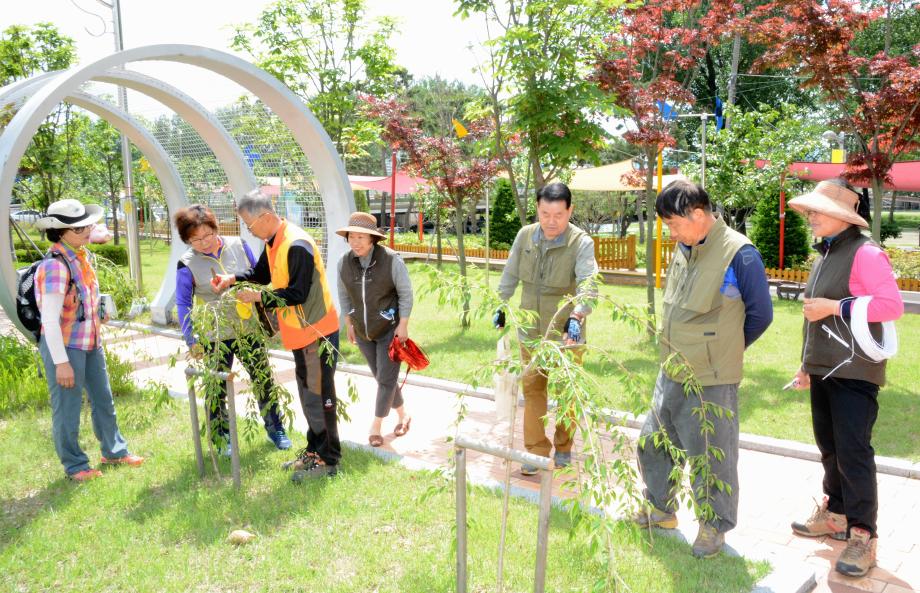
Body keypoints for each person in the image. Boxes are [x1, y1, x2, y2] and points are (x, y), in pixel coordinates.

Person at [634, 180, 773, 558]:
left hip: (711, 377)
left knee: (712, 456)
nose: (671, 231)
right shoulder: (685, 246)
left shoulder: (740, 255)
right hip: (672, 367)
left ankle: (713, 527)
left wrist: (722, 350)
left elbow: (761, 315)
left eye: (674, 223)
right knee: (653, 441)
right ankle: (661, 508)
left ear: (698, 215)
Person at [785, 179, 903, 578]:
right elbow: (811, 317)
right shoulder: (825, 255)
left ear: (842, 217)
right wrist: (806, 364)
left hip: (855, 372)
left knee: (853, 452)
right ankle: (835, 514)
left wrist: (836, 307)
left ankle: (862, 535)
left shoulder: (866, 254)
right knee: (830, 447)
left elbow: (892, 305)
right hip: (824, 369)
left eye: (818, 210)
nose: (811, 217)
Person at [211, 190, 341, 481]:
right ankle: (314, 450)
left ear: (266, 217)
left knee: (320, 397)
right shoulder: (274, 242)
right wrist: (233, 279)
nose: (249, 230)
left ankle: (329, 461)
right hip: (298, 333)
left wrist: (258, 298)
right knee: (308, 396)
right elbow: (261, 273)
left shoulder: (296, 244)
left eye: (249, 224)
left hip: (316, 332)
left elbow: (297, 293)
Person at [34, 199, 144, 481]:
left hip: (89, 342)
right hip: (66, 347)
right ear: (61, 232)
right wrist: (61, 363)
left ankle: (115, 451)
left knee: (103, 399)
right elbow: (49, 320)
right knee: (68, 407)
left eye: (86, 224)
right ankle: (75, 465)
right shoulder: (56, 266)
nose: (86, 230)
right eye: (78, 227)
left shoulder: (80, 257)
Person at [494, 182, 598, 475]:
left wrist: (578, 316)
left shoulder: (582, 242)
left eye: (559, 215)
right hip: (530, 330)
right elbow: (510, 273)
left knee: (566, 391)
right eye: (544, 213)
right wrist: (500, 305)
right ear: (537, 209)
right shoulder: (525, 236)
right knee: (533, 389)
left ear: (570, 211)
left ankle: (563, 446)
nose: (551, 221)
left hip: (566, 332)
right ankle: (535, 451)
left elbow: (589, 285)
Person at [173, 204, 291, 456]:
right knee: (217, 387)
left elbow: (257, 276)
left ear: (217, 229)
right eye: (195, 240)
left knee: (263, 380)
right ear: (187, 240)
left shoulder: (238, 244)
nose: (204, 243)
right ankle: (220, 436)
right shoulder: (186, 264)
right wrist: (191, 339)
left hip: (247, 329)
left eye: (208, 235)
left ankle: (276, 429)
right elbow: (183, 304)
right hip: (215, 335)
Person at [336, 211, 413, 447]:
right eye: (352, 237)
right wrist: (349, 324)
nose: (356, 242)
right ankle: (404, 415)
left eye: (361, 237)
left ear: (372, 239)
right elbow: (344, 296)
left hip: (390, 329)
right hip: (363, 331)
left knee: (386, 379)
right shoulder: (344, 263)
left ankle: (376, 425)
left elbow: (406, 293)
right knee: (382, 378)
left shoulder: (391, 260)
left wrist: (403, 324)